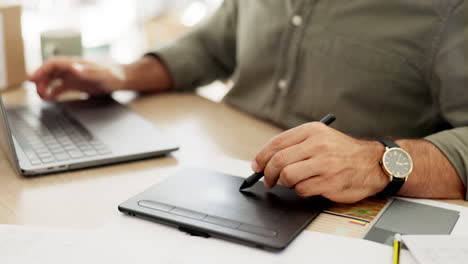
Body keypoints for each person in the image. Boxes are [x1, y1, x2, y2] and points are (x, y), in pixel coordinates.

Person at [30, 1, 468, 203]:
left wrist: (376, 161)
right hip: (228, 177)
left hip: (340, 207)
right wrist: (124, 74)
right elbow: (212, 45)